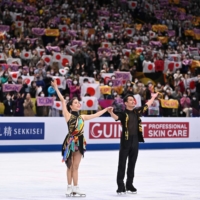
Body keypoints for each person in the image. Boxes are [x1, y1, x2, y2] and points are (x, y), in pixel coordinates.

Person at [51, 79, 111, 197]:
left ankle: (76, 187)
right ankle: (69, 187)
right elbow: (63, 100)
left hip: (80, 142)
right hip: (70, 142)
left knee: (76, 166)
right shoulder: (67, 115)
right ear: (71, 106)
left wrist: (105, 110)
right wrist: (56, 88)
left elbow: (95, 115)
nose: (78, 104)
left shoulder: (82, 117)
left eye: (79, 102)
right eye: (76, 103)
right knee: (70, 165)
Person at [108, 92, 159, 194]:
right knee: (122, 164)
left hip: (135, 140)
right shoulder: (123, 114)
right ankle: (120, 186)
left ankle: (129, 184)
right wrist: (111, 112)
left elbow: (146, 106)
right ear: (126, 103)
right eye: (130, 100)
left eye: (133, 100)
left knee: (132, 164)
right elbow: (116, 118)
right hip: (125, 141)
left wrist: (153, 98)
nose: (133, 101)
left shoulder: (136, 112)